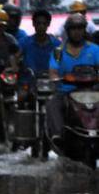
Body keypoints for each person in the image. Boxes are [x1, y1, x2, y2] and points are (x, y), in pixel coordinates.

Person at [47, 13, 99, 146]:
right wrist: (57, 79)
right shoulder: (58, 51)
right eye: (73, 28)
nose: (77, 32)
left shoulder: (94, 49)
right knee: (52, 103)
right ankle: (57, 134)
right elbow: (53, 71)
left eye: (80, 28)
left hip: (93, 92)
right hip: (67, 92)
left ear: (84, 30)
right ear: (68, 31)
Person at [19, 9, 60, 80]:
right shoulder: (24, 42)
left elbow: (62, 63)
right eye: (38, 23)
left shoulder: (56, 44)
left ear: (48, 24)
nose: (41, 26)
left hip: (50, 83)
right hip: (29, 84)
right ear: (33, 24)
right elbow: (14, 56)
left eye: (44, 23)